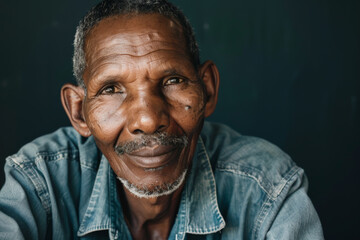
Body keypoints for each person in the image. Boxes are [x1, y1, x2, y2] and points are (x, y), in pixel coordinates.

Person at [0, 0, 324, 239]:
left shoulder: (267, 190)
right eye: (111, 89)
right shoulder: (40, 183)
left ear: (207, 90)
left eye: (172, 81)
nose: (148, 119)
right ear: (78, 111)